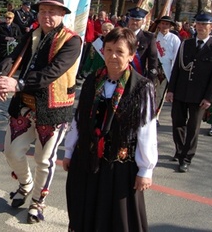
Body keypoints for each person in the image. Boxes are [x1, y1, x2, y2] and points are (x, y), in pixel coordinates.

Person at [0, 0, 82, 224]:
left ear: (62, 14)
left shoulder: (72, 41)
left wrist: (18, 84)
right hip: (24, 105)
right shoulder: (31, 34)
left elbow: (53, 72)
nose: (46, 16)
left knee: (44, 160)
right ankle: (25, 183)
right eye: (43, 11)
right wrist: (1, 77)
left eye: (52, 11)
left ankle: (37, 202)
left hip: (53, 109)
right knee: (11, 151)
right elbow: (11, 59)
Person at [63, 27, 157, 231]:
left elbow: (146, 130)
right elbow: (79, 118)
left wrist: (146, 169)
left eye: (120, 51)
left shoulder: (142, 87)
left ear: (131, 56)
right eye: (108, 50)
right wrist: (69, 151)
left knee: (118, 218)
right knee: (85, 211)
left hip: (119, 165)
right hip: (87, 160)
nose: (113, 56)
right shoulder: (93, 80)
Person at [166, 11, 212, 173]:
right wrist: (171, 90)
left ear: (211, 27)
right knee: (177, 123)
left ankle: (186, 158)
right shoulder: (186, 44)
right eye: (198, 24)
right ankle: (179, 151)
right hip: (181, 91)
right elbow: (177, 69)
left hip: (200, 95)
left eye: (204, 24)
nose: (201, 27)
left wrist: (209, 97)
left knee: (193, 127)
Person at [154, 16, 181, 116]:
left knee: (160, 94)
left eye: (167, 24)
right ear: (159, 24)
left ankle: (155, 116)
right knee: (150, 93)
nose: (164, 26)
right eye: (163, 23)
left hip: (166, 69)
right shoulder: (153, 36)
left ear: (170, 26)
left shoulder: (174, 39)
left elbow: (176, 56)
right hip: (153, 68)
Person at [127, 7, 158, 82]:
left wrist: (150, 81)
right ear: (129, 20)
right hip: (120, 75)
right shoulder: (121, 35)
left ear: (143, 22)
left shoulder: (148, 38)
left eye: (137, 20)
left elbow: (153, 60)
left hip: (138, 77)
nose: (134, 22)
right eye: (132, 19)